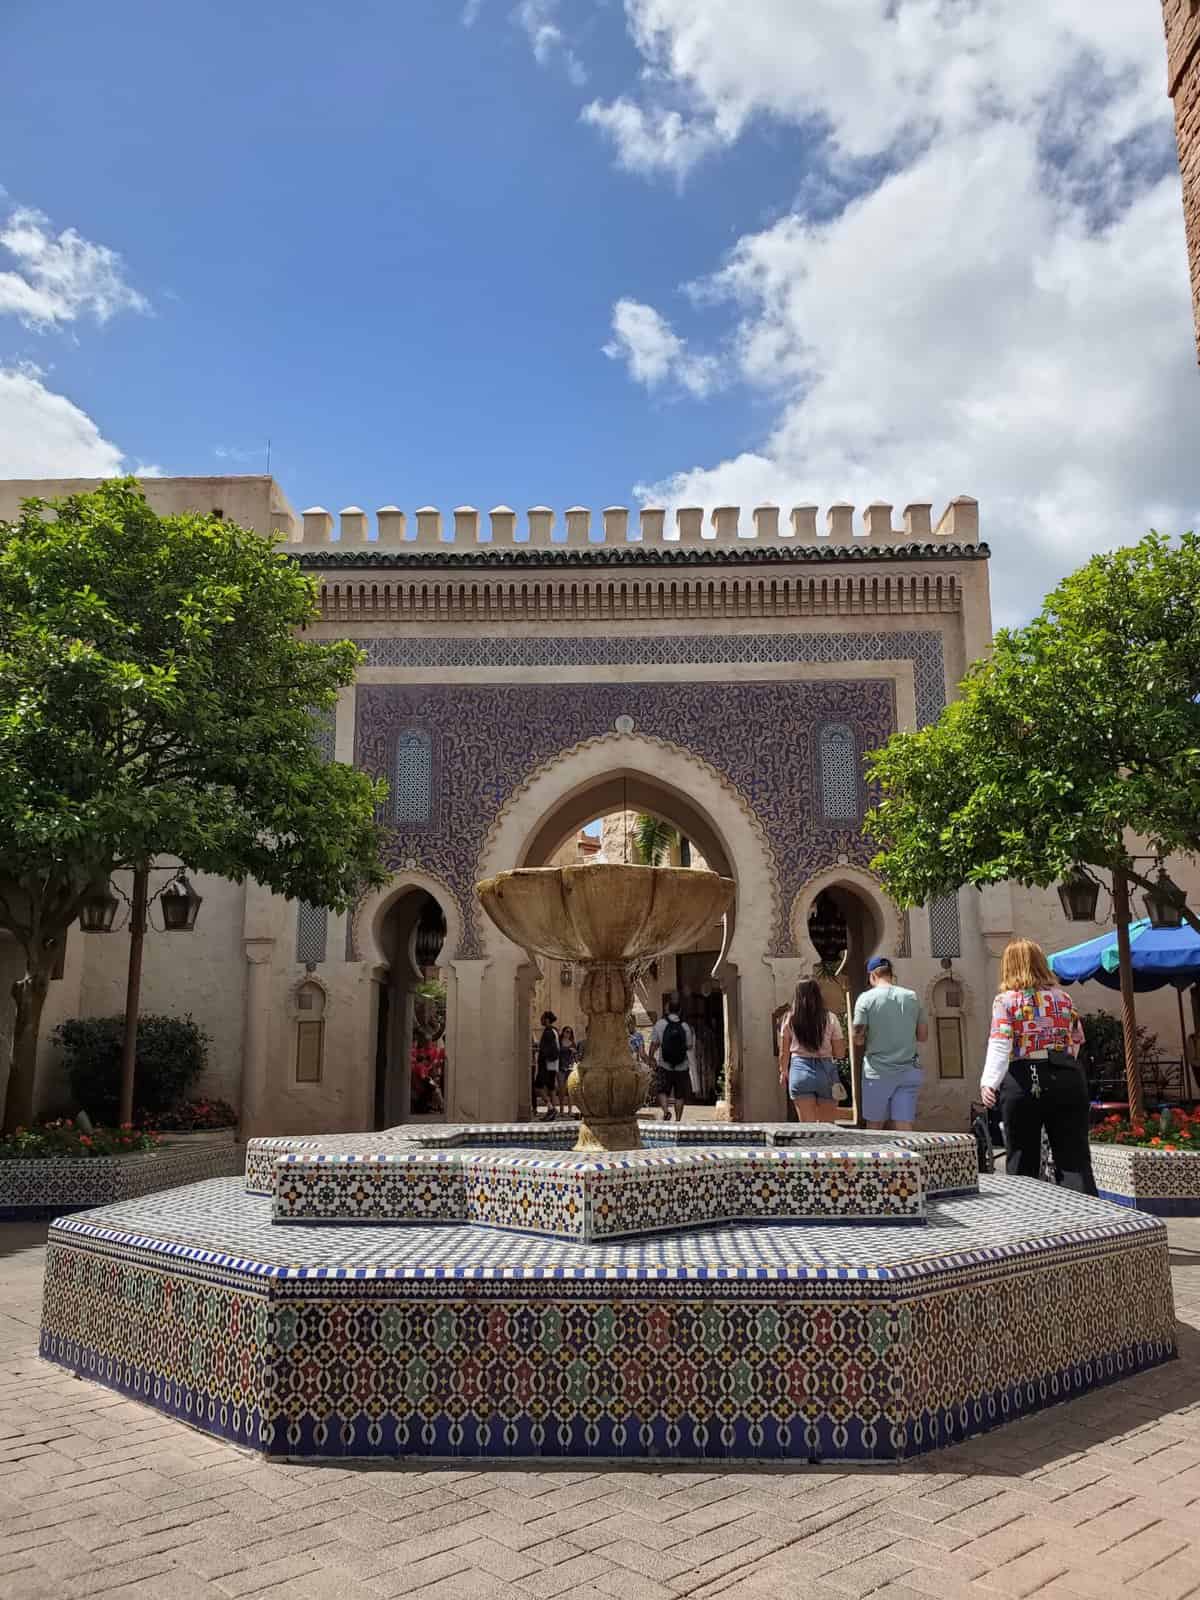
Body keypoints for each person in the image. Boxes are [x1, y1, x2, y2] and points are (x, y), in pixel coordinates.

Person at [981, 937, 1096, 1195]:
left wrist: (989, 1082)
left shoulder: (1006, 1001)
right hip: (1066, 1076)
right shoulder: (1063, 998)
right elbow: (1077, 1040)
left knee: (1022, 1158)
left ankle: (1030, 1223)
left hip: (1024, 1078)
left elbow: (1000, 1042)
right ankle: (1089, 1223)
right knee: (1074, 1158)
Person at [853, 956, 928, 1130]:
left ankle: (876, 1158)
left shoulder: (865, 999)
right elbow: (923, 1035)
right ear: (891, 975)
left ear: (872, 976)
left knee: (874, 1126)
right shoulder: (911, 997)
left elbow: (857, 1038)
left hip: (877, 1073)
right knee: (904, 1126)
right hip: (908, 1071)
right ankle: (907, 1158)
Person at [777, 978, 845, 1122]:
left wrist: (783, 1071)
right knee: (828, 1130)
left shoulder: (789, 1019)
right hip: (826, 1072)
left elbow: (784, 1052)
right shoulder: (830, 1018)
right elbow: (840, 1053)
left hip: (799, 1071)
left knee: (807, 1129)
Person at [650, 993, 693, 1122]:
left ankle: (666, 1111)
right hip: (682, 1066)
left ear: (667, 1010)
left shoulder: (660, 1024)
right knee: (679, 1094)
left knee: (662, 1090)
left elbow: (654, 1044)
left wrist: (651, 1058)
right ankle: (678, 1120)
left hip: (665, 1065)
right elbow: (689, 1046)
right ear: (680, 1010)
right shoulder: (685, 1026)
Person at [534, 1011, 559, 1120]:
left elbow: (547, 1049)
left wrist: (542, 1055)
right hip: (553, 1064)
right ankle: (553, 1112)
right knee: (551, 1088)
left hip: (546, 1064)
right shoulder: (554, 1031)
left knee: (537, 1086)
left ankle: (550, 1108)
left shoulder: (548, 1032)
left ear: (547, 1020)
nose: (541, 1020)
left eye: (542, 1018)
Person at [556, 1024, 577, 1116]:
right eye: (567, 1031)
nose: (568, 1034)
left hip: (570, 1068)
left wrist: (574, 1052)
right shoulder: (559, 1042)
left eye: (570, 1032)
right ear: (563, 1032)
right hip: (560, 1067)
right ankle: (561, 1110)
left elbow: (575, 1055)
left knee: (570, 1090)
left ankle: (570, 1110)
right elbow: (556, 1053)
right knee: (562, 1089)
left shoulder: (572, 1043)